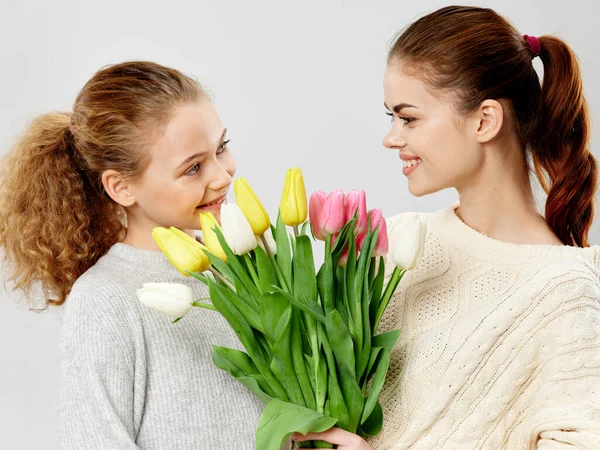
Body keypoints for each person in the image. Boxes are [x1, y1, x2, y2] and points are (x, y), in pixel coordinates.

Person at [293, 5, 600, 449]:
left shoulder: (564, 293)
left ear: (484, 120)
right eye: (391, 117)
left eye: (409, 117)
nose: (391, 137)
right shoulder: (398, 239)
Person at [0, 61, 269, 449]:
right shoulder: (106, 300)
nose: (223, 176)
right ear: (122, 187)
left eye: (221, 148)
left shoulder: (240, 265)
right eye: (193, 168)